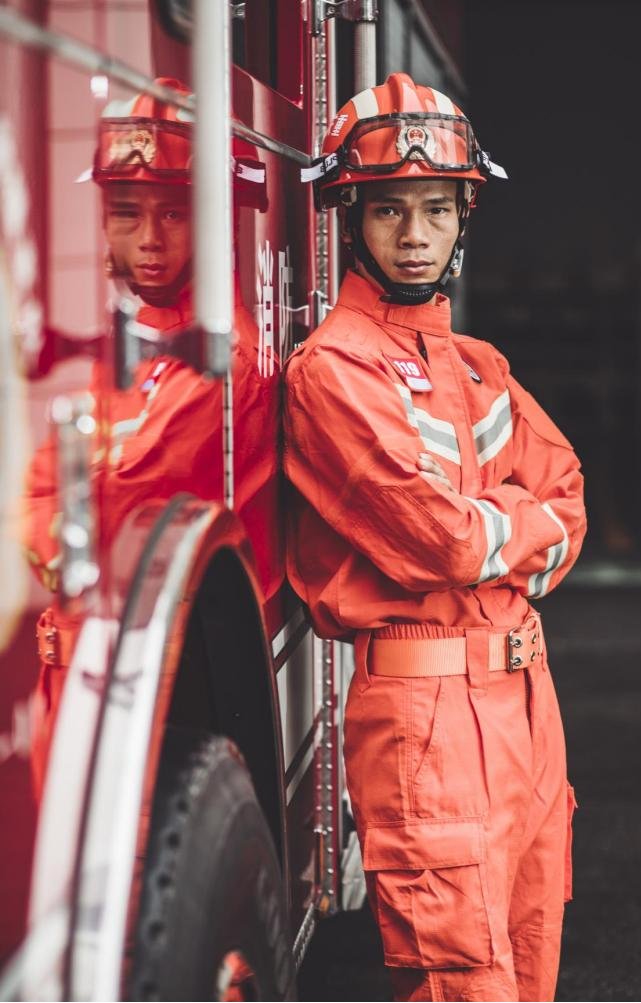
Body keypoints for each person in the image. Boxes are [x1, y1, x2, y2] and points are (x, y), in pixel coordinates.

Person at [283, 72, 586, 1002]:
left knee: (530, 959)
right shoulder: (331, 371)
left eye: (434, 210)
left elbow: (569, 497)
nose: (414, 234)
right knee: (468, 979)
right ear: (351, 221)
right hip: (425, 720)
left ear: (464, 219)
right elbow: (439, 542)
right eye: (389, 212)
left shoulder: (476, 363)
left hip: (526, 702)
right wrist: (512, 528)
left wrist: (508, 530)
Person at [23, 79, 279, 799]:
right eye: (126, 213)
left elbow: (99, 515)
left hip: (153, 698)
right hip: (91, 681)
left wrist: (63, 526)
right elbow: (43, 490)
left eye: (175, 212)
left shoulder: (224, 361)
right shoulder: (139, 346)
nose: (150, 241)